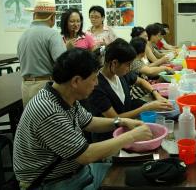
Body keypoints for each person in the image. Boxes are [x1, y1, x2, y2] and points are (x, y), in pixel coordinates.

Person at [13, 48, 152, 190]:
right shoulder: (48, 110)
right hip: (53, 182)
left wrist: (121, 122)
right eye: (93, 78)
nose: (96, 83)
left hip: (77, 172)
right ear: (76, 81)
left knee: (132, 173)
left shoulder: (63, 96)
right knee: (130, 180)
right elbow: (86, 155)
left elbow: (89, 122)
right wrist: (132, 136)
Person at [83, 38, 173, 142]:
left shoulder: (120, 74)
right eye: (128, 64)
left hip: (126, 130)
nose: (130, 68)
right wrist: (145, 108)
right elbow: (115, 119)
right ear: (114, 63)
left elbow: (141, 81)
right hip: (108, 139)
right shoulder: (97, 86)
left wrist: (156, 94)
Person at [17, 0, 66, 105]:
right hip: (44, 87)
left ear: (34, 15)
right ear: (53, 17)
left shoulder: (23, 35)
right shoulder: (52, 34)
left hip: (25, 87)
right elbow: (63, 64)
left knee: (33, 120)